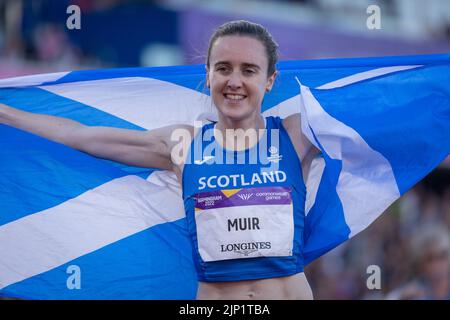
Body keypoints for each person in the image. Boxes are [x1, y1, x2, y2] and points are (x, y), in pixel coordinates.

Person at [0, 20, 318, 300]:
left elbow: (364, 110)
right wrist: (5, 113)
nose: (234, 81)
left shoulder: (295, 134)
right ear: (208, 75)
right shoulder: (183, 144)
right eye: (223, 68)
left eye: (249, 70)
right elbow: (82, 136)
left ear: (270, 80)